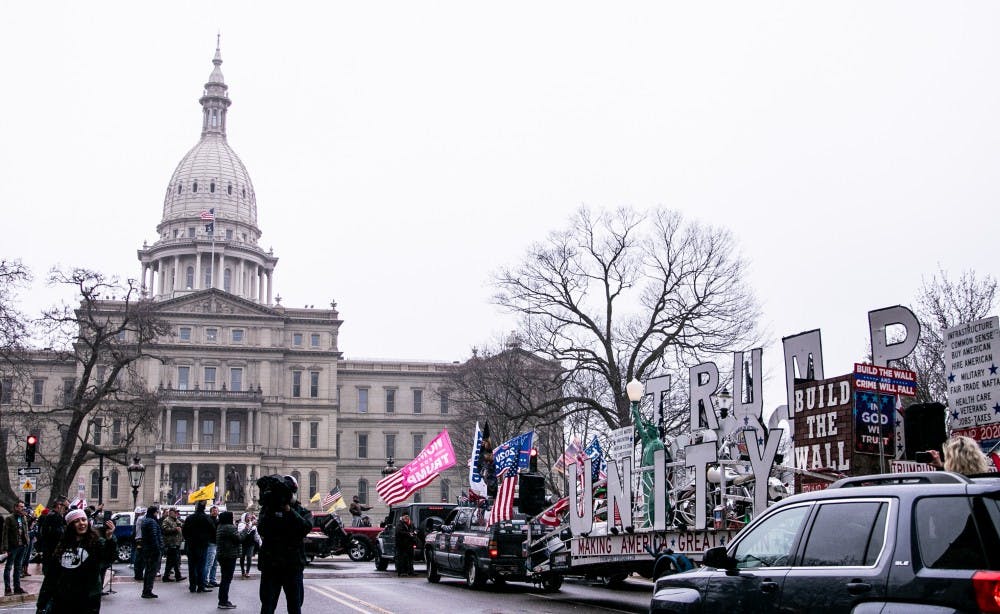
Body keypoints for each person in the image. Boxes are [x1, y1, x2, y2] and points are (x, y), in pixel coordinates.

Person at [257, 475, 311, 614]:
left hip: (292, 565)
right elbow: (261, 529)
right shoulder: (268, 510)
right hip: (271, 564)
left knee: (295, 604)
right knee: (267, 605)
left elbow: (305, 527)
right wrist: (271, 510)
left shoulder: (301, 511)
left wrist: (289, 510)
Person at [47, 508, 116, 614]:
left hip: (87, 598)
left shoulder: (96, 542)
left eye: (83, 520)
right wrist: (42, 603)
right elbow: (52, 575)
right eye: (76, 521)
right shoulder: (62, 544)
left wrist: (110, 538)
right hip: (63, 598)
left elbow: (109, 557)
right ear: (70, 525)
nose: (81, 523)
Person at [36, 496, 69, 614]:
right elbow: (55, 535)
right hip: (52, 555)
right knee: (52, 585)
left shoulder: (55, 517)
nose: (66, 510)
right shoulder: (53, 517)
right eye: (65, 507)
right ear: (59, 505)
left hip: (52, 554)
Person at [182, 500, 215, 593]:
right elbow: (213, 531)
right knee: (201, 566)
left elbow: (184, 531)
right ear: (204, 508)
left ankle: (192, 586)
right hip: (202, 545)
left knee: (192, 566)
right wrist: (207, 538)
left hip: (191, 544)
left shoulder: (190, 518)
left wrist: (188, 539)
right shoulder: (207, 518)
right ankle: (201, 586)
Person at [2, 500, 29, 596]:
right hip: (12, 546)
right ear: (16, 507)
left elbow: (25, 531)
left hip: (22, 546)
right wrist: (5, 547)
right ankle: (7, 588)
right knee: (8, 567)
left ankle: (17, 587)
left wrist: (27, 542)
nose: (22, 508)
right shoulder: (9, 518)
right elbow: (5, 534)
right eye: (21, 507)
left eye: (23, 507)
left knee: (18, 567)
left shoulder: (24, 518)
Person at [215, 511, 240, 609]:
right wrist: (246, 531)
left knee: (224, 578)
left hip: (222, 555)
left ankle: (223, 600)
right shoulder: (230, 527)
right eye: (232, 516)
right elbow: (239, 539)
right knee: (227, 579)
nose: (233, 518)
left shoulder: (220, 526)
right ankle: (223, 601)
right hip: (229, 555)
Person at [139, 506, 164, 599]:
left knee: (148, 570)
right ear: (154, 513)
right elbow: (154, 536)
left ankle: (146, 590)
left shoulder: (145, 520)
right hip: (153, 550)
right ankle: (148, 591)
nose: (157, 514)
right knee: (152, 571)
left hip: (147, 549)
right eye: (156, 513)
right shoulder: (152, 522)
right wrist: (158, 549)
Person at [160, 508, 185, 582]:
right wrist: (175, 529)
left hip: (176, 543)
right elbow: (164, 529)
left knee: (172, 560)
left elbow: (181, 525)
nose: (176, 514)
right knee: (174, 560)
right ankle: (176, 576)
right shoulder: (167, 520)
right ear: (171, 513)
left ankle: (169, 576)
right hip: (171, 543)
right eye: (175, 512)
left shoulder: (175, 520)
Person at [237, 512, 259, 578]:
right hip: (243, 543)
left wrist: (260, 543)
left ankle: (247, 572)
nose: (248, 518)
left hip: (251, 544)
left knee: (249, 557)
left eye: (249, 517)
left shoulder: (253, 526)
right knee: (242, 558)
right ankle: (242, 571)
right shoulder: (241, 524)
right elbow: (241, 531)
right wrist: (251, 525)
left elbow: (256, 535)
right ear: (244, 517)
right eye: (247, 517)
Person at [205, 505, 220, 587]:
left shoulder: (218, 520)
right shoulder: (209, 520)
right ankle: (205, 580)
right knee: (209, 563)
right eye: (213, 510)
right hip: (211, 543)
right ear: (210, 512)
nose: (215, 512)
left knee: (215, 564)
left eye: (216, 510)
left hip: (216, 543)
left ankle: (212, 580)